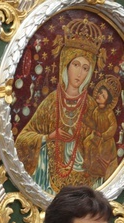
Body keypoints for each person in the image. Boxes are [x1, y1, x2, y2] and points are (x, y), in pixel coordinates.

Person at [15, 18, 107, 194]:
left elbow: (101, 149)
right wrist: (48, 137)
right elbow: (22, 139)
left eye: (86, 68)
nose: (80, 73)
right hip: (48, 179)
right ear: (66, 64)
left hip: (86, 184)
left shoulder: (92, 106)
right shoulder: (52, 101)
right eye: (76, 64)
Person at [82, 75, 120, 183]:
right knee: (86, 142)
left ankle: (99, 173)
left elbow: (113, 127)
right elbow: (94, 124)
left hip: (106, 141)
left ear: (107, 101)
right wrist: (85, 119)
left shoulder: (109, 113)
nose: (99, 95)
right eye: (99, 92)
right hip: (97, 136)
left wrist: (103, 135)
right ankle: (88, 168)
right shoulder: (96, 111)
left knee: (99, 152)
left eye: (103, 95)